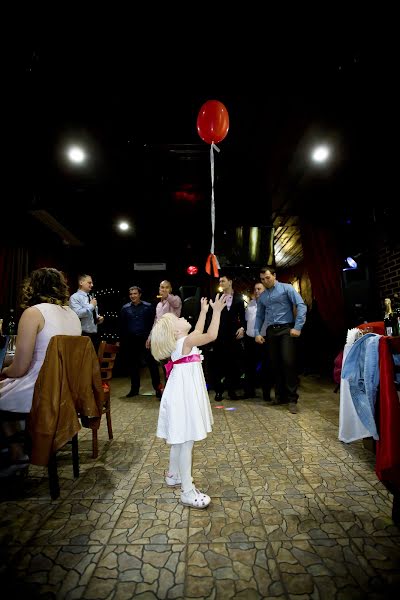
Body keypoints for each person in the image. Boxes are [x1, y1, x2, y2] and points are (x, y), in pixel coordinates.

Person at [0, 267, 82, 475]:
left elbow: (20, 368)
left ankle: (17, 452)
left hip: (41, 392)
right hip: (66, 392)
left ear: (33, 287)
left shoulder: (33, 313)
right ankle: (26, 444)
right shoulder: (73, 315)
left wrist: (5, 369)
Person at [150, 293, 227, 509]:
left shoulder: (183, 341)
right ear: (175, 331)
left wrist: (203, 312)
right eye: (177, 318)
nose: (180, 316)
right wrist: (217, 312)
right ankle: (186, 490)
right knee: (185, 443)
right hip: (183, 396)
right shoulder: (185, 341)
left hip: (179, 393)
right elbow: (210, 335)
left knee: (179, 438)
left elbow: (197, 332)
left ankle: (173, 475)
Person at [255, 266, 307, 414]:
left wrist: (298, 326)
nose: (265, 281)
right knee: (275, 364)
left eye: (268, 278)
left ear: (274, 276)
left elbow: (301, 306)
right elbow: (259, 316)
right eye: (262, 279)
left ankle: (292, 399)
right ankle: (280, 396)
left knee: (288, 362)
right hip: (271, 331)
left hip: (286, 330)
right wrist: (257, 332)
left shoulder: (287, 288)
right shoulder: (263, 297)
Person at [206, 272, 246, 401]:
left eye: (223, 281)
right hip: (219, 335)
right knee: (218, 364)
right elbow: (210, 317)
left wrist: (242, 328)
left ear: (230, 282)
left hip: (233, 335)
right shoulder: (216, 297)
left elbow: (243, 317)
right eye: (220, 282)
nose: (221, 283)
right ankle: (218, 391)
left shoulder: (239, 297)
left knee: (233, 364)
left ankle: (232, 390)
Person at [120, 286, 163, 398]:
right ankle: (134, 389)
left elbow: (154, 323)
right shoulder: (125, 308)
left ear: (140, 294)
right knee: (133, 366)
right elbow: (123, 326)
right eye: (131, 294)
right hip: (131, 340)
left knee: (152, 364)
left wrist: (152, 338)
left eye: (135, 293)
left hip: (146, 340)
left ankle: (158, 389)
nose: (133, 296)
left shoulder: (148, 307)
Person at [146, 280, 182, 391]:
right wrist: (150, 337)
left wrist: (167, 296)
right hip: (161, 339)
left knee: (173, 366)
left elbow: (175, 302)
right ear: (159, 289)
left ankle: (174, 391)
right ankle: (168, 391)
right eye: (162, 287)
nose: (164, 289)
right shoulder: (158, 304)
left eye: (167, 287)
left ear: (170, 289)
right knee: (165, 367)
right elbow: (156, 322)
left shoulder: (175, 299)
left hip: (173, 338)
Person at [243, 282, 268, 399]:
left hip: (263, 339)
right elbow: (247, 320)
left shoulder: (269, 304)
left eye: (259, 288)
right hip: (249, 339)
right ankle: (249, 392)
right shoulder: (250, 304)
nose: (257, 291)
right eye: (255, 289)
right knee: (249, 366)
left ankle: (266, 393)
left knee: (265, 367)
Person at [69, 274, 104, 351]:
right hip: (82, 334)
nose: (92, 285)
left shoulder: (90, 297)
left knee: (93, 361)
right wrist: (91, 306)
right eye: (89, 282)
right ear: (81, 282)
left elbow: (91, 314)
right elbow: (77, 314)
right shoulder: (75, 297)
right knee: (83, 361)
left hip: (94, 334)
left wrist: (98, 318)